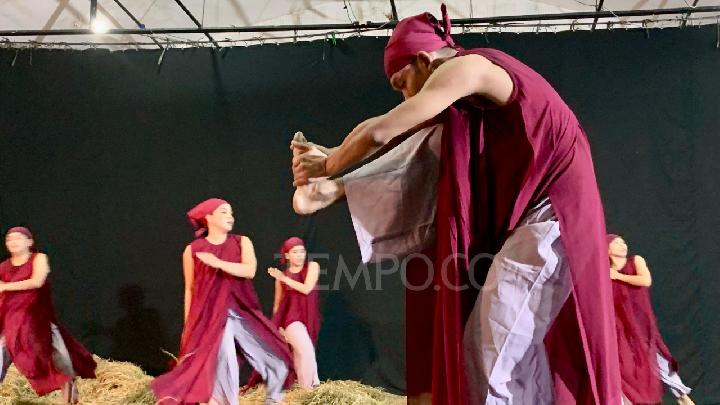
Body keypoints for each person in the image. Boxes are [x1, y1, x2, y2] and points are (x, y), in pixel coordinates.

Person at [290, 4, 620, 404]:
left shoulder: (469, 68)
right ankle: (341, 187)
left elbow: (384, 129)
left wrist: (329, 164)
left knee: (492, 351)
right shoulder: (466, 99)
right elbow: (394, 131)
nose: (405, 94)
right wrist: (334, 159)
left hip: (553, 217)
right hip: (534, 219)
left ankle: (339, 186)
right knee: (506, 352)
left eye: (402, 82)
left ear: (424, 60)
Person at [151, 198, 292, 405]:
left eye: (231, 213)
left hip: (242, 311)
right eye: (224, 212)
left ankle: (273, 397)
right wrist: (189, 325)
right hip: (211, 315)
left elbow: (249, 270)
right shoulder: (192, 250)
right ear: (208, 217)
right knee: (224, 359)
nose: (230, 216)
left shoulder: (242, 242)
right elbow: (190, 289)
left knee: (274, 355)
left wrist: (218, 263)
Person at [0, 226, 96, 403]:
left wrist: (5, 286)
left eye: (18, 238)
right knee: (2, 353)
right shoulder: (3, 267)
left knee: (59, 358)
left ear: (29, 242)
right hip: (11, 321)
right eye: (9, 239)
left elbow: (37, 281)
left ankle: (68, 396)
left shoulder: (39, 259)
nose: (13, 241)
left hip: (37, 320)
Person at [608, 234, 694, 405]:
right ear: (607, 249)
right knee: (624, 365)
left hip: (641, 325)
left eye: (623, 242)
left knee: (658, 359)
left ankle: (682, 396)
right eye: (616, 243)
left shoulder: (635, 261)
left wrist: (617, 276)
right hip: (620, 328)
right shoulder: (603, 271)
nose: (623, 245)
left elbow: (645, 280)